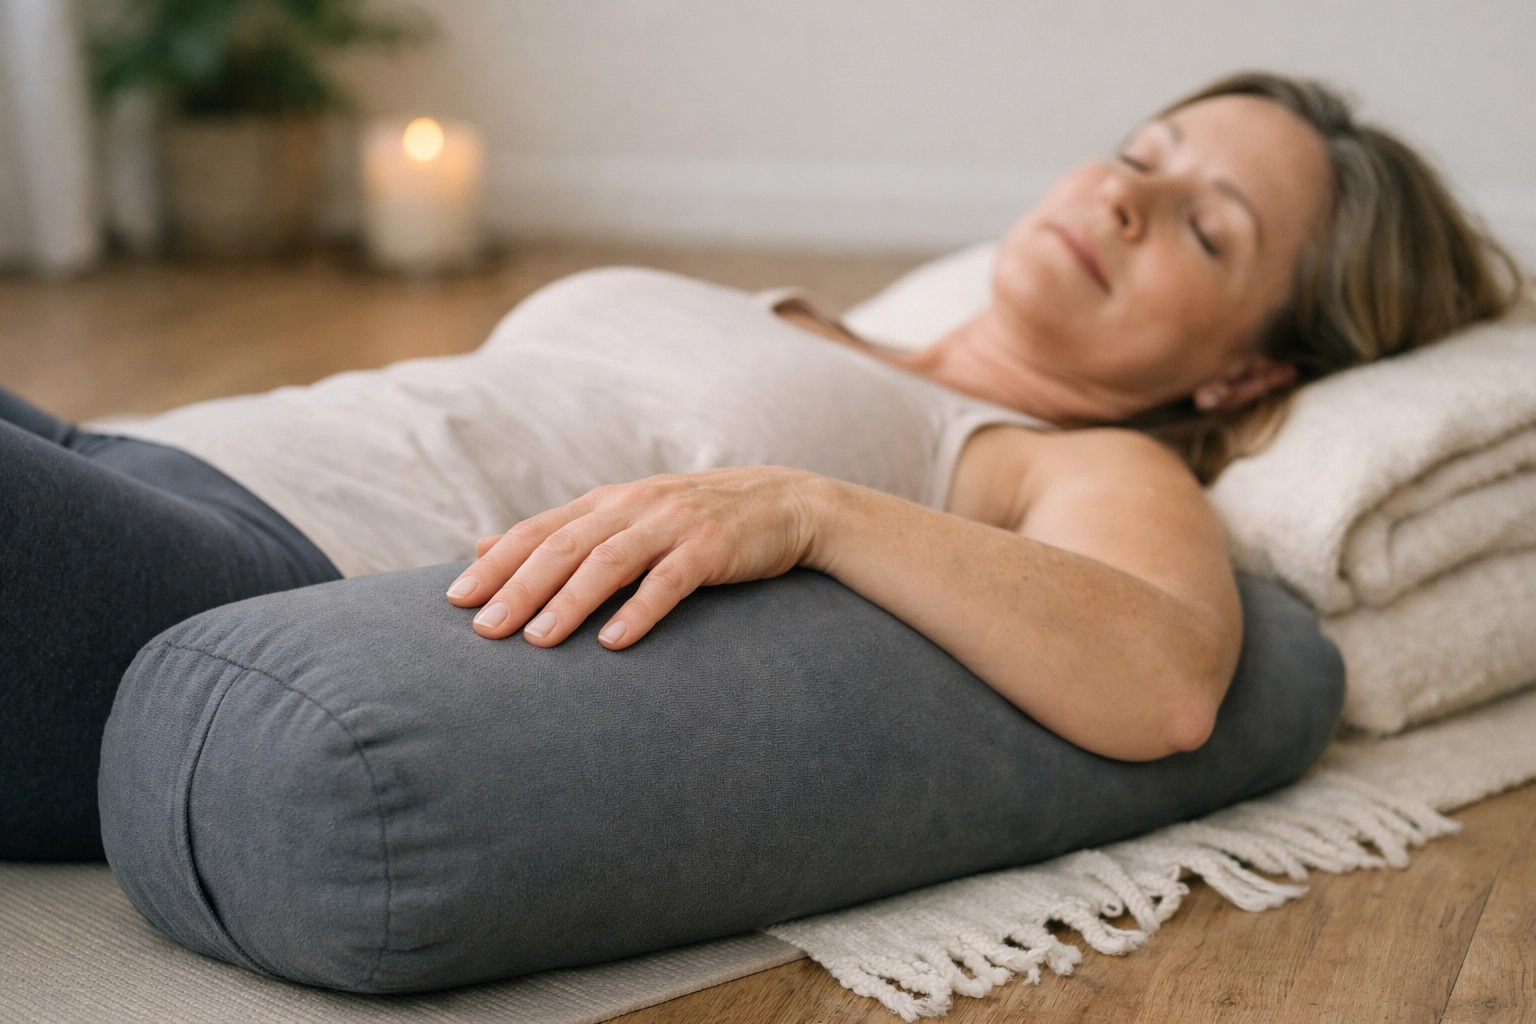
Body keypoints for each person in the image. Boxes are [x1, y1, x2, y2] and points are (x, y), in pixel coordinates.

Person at [1, 72, 1521, 861]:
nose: (1131, 198)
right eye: (1145, 150)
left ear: (1248, 368)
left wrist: (808, 507)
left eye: (1207, 226)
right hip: (137, 457)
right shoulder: (831, 324)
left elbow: (1169, 673)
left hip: (227, 591)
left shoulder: (1066, 458)